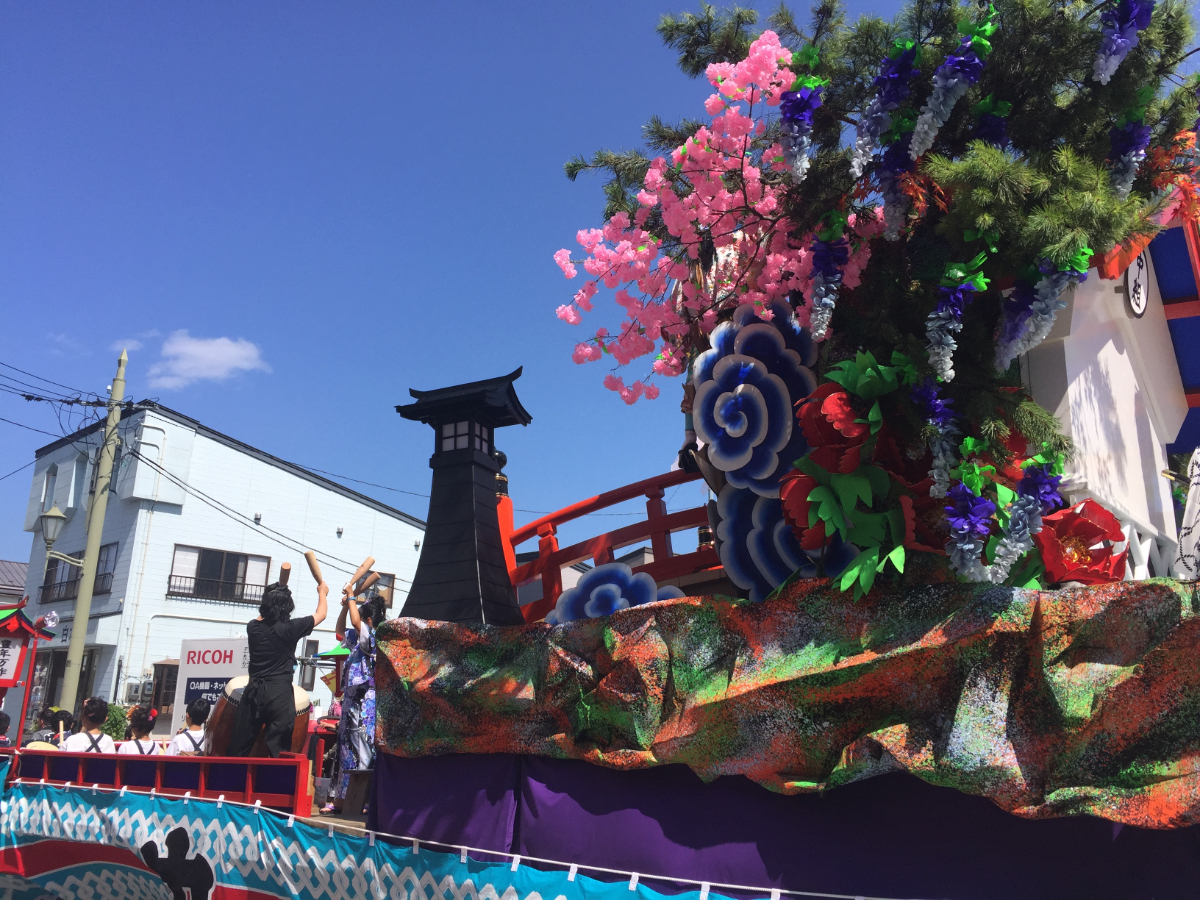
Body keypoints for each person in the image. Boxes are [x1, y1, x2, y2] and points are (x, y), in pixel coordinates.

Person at [228, 578, 327, 757]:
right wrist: (322, 592)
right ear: (288, 606)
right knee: (279, 751)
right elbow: (321, 614)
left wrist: (272, 593)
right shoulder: (292, 628)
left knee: (239, 748)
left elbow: (261, 616)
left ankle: (231, 781)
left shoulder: (253, 628)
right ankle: (275, 782)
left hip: (254, 692)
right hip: (280, 695)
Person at [323, 589, 384, 813]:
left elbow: (356, 623)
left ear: (368, 620)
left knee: (361, 750)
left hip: (364, 702)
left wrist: (351, 596)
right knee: (345, 750)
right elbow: (340, 632)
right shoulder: (358, 641)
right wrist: (343, 605)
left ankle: (362, 801)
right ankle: (340, 799)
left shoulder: (374, 638)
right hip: (351, 701)